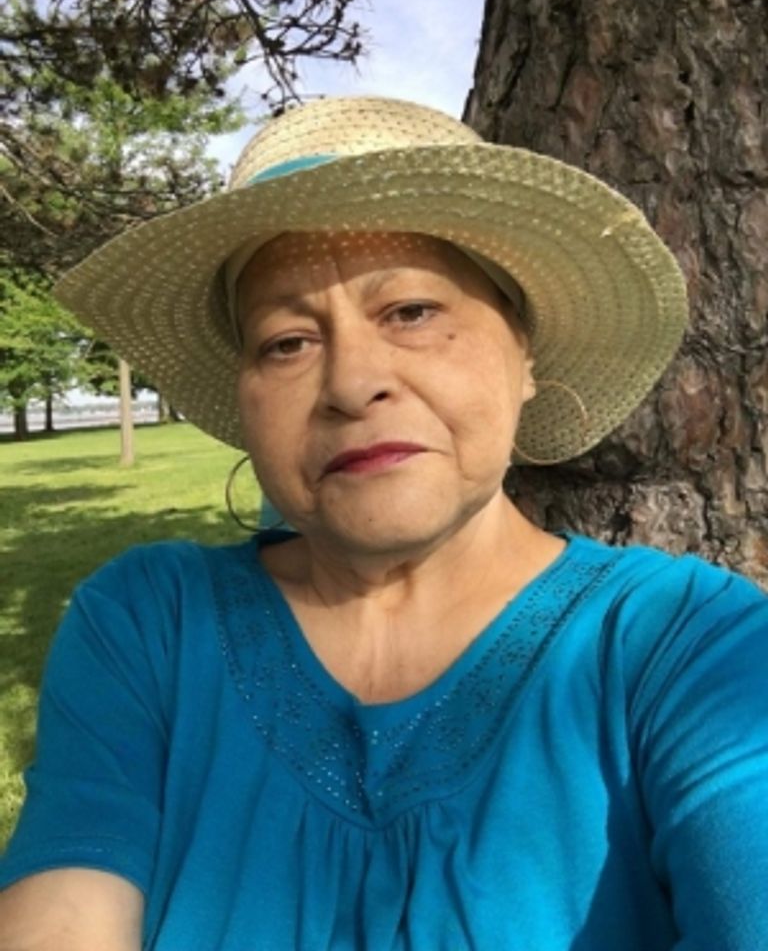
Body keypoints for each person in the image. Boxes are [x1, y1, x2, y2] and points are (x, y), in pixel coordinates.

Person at [0, 96, 766, 951]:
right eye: (287, 342)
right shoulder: (147, 627)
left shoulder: (687, 648)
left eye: (411, 312)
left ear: (524, 352)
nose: (350, 383)